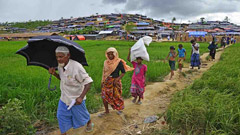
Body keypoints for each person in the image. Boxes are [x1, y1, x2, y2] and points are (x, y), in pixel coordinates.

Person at [48, 46, 94, 135]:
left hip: (76, 98)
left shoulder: (77, 67)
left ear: (68, 55)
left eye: (61, 57)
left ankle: (89, 123)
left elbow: (88, 82)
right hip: (64, 97)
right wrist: (54, 74)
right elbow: (62, 78)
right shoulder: (60, 66)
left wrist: (81, 97)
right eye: (57, 57)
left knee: (82, 115)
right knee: (61, 116)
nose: (58, 59)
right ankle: (64, 133)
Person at [99, 47, 133, 117]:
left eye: (112, 54)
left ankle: (119, 109)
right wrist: (102, 81)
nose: (110, 56)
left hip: (115, 81)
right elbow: (104, 72)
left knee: (117, 96)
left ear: (115, 54)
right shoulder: (105, 62)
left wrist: (117, 79)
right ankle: (106, 111)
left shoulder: (118, 62)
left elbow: (123, 72)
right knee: (104, 96)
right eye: (109, 54)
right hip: (107, 81)